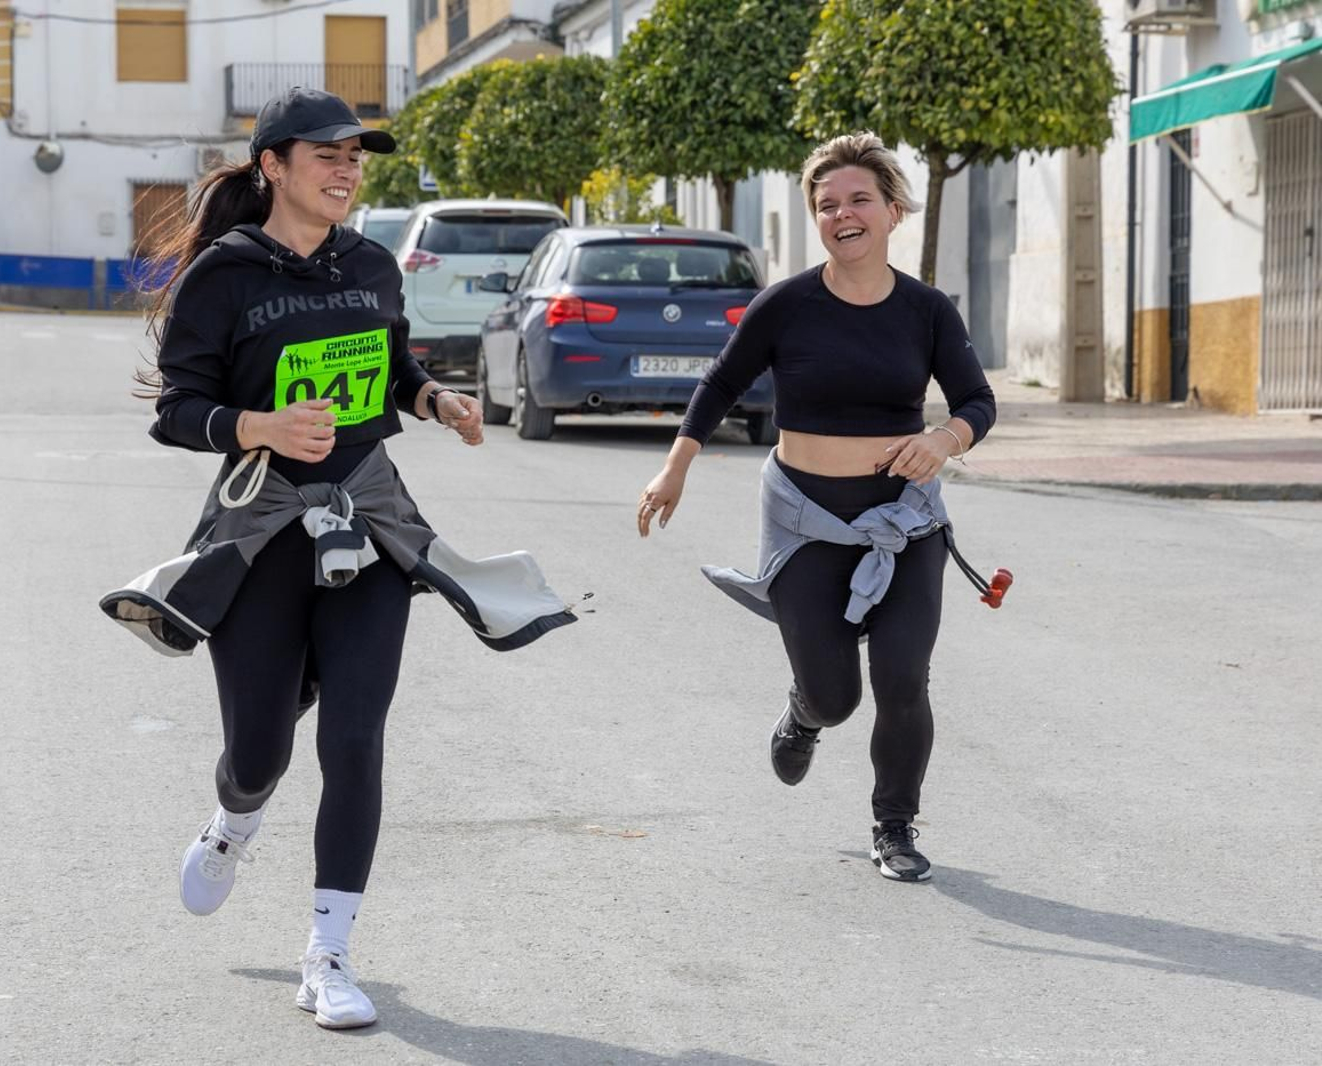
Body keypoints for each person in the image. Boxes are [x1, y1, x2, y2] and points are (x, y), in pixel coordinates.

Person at [99, 88, 575, 1029]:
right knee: (259, 752)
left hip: (369, 522)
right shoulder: (225, 275)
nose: (348, 169)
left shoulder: (371, 264)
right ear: (273, 165)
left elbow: (393, 364)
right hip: (261, 534)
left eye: (356, 155)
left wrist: (435, 400)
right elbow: (177, 410)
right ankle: (234, 821)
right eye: (328, 154)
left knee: (355, 740)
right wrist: (260, 426)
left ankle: (329, 954)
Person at [636, 132, 997, 883]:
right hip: (805, 523)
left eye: (859, 199)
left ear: (893, 211)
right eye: (827, 205)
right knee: (837, 696)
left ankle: (894, 825)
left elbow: (977, 400)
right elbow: (721, 382)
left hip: (905, 523)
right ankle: (805, 713)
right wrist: (676, 466)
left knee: (904, 678)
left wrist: (945, 438)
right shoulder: (786, 304)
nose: (842, 214)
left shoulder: (928, 310)